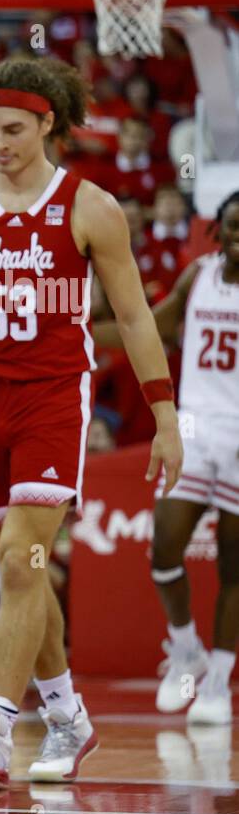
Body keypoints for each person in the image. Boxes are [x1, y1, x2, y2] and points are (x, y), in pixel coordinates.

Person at [0, 57, 184, 788]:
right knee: (23, 573)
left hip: (52, 395)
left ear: (49, 124)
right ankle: (69, 717)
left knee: (21, 561)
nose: (0, 144)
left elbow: (137, 318)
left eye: (14, 130)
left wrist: (165, 418)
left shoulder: (91, 206)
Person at [93, 191, 239, 725]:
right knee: (164, 548)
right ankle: (186, 649)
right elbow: (151, 328)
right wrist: (84, 336)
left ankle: (221, 680)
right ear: (216, 230)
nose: (236, 237)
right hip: (197, 426)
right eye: (230, 227)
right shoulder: (198, 276)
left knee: (234, 566)